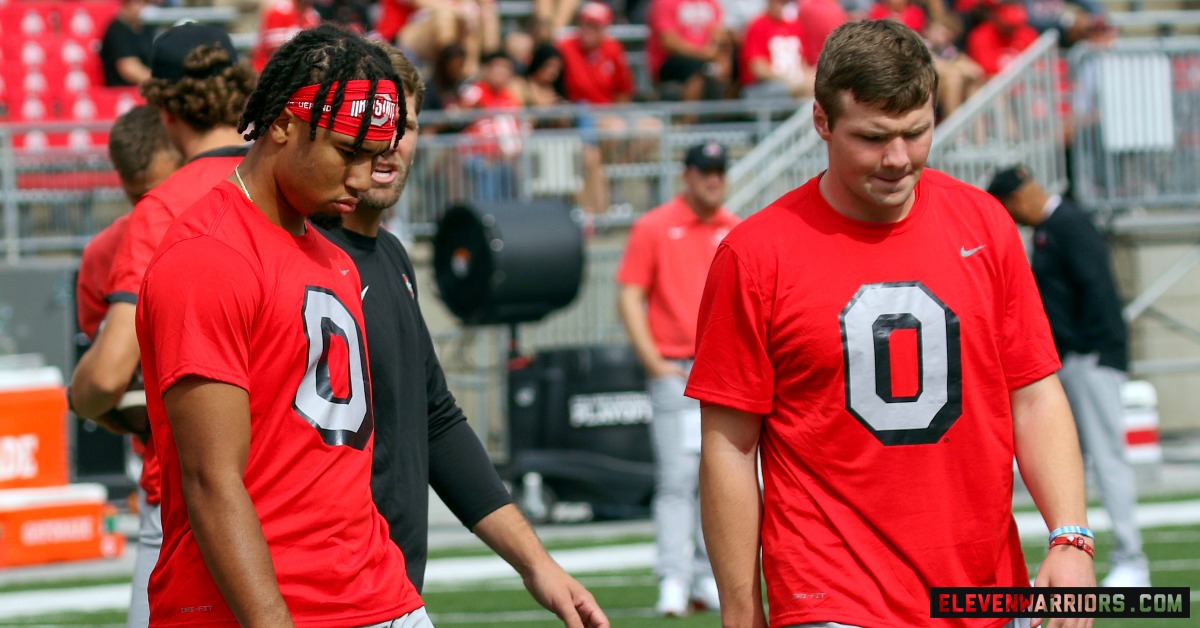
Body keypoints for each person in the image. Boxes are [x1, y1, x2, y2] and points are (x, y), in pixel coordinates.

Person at [686, 19, 1095, 627]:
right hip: (833, 594)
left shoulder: (984, 223)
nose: (899, 159)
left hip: (983, 590)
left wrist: (1070, 539)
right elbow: (728, 447)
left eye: (917, 132)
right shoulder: (756, 255)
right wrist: (741, 615)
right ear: (822, 122)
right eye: (873, 137)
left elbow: (1032, 393)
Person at [136, 24, 429, 626]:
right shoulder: (209, 257)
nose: (361, 176)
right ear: (283, 124)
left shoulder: (336, 257)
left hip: (378, 596)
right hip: (256, 607)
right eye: (348, 152)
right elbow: (211, 482)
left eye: (374, 156)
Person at [311, 42, 609, 627]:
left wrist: (536, 565)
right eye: (371, 122)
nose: (390, 141)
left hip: (393, 594)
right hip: (318, 601)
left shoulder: (392, 256)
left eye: (406, 125)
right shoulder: (296, 259)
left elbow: (437, 419)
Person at [69, 23, 257, 628]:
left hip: (195, 494)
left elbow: (109, 372)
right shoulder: (291, 184)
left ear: (164, 110)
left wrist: (84, 400)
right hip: (310, 483)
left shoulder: (165, 208)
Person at [987, 164, 1150, 588]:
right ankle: (1076, 551)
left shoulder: (1070, 224)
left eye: (1008, 209)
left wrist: (1088, 350)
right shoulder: (1054, 227)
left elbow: (1099, 291)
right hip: (1076, 359)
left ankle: (1132, 558)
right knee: (1071, 458)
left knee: (1107, 456)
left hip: (1089, 358)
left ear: (1020, 197)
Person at [616, 141, 738, 617]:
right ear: (687, 174)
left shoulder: (734, 228)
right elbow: (629, 297)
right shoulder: (655, 226)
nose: (714, 179)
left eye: (719, 170)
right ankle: (673, 578)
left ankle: (709, 577)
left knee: (721, 480)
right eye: (706, 170)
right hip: (675, 367)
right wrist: (653, 361)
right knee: (676, 478)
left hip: (719, 371)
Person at [558, 2, 635, 106]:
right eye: (585, 24)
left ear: (604, 28)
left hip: (608, 111)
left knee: (650, 122)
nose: (589, 30)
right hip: (575, 112)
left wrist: (617, 114)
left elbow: (623, 90)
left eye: (595, 26)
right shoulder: (565, 47)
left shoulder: (613, 48)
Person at [740, 0, 815, 99]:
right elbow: (757, 68)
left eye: (784, 3)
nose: (781, 6)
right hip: (764, 86)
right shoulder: (757, 25)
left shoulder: (795, 26)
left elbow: (803, 63)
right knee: (804, 90)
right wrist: (789, 78)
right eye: (778, 2)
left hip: (795, 82)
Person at [252, 0, 322, 71]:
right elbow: (275, 49)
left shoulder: (312, 15)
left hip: (297, 70)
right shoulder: (279, 11)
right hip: (269, 69)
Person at [99, 0, 155, 86]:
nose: (139, 8)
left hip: (144, 86)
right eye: (135, 3)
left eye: (143, 3)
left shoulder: (146, 28)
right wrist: (160, 82)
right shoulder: (117, 30)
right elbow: (129, 69)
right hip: (122, 91)